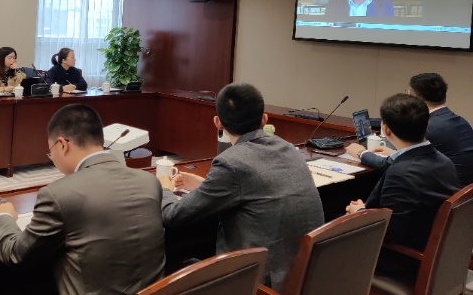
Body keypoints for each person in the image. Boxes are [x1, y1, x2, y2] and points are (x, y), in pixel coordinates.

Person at [158, 83, 324, 292]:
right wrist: (203, 184)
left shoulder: (231, 163)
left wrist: (164, 188)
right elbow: (255, 187)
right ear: (264, 119)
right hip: (303, 276)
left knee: (174, 266)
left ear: (218, 123)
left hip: (259, 284)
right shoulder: (288, 148)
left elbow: (173, 215)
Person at [0, 104, 165, 295]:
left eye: (50, 152)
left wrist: (3, 218)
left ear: (62, 145)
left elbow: (18, 256)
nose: (52, 158)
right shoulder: (149, 181)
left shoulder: (58, 194)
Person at [345, 94, 459, 271]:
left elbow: (390, 235)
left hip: (403, 260)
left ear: (386, 129)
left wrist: (359, 212)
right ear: (426, 125)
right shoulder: (445, 161)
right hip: (437, 253)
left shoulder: (401, 174)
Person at [346, 73, 473, 185]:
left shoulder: (428, 126)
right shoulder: (458, 120)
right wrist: (394, 153)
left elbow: (396, 166)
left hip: (444, 191)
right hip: (464, 193)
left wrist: (361, 153)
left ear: (413, 97)